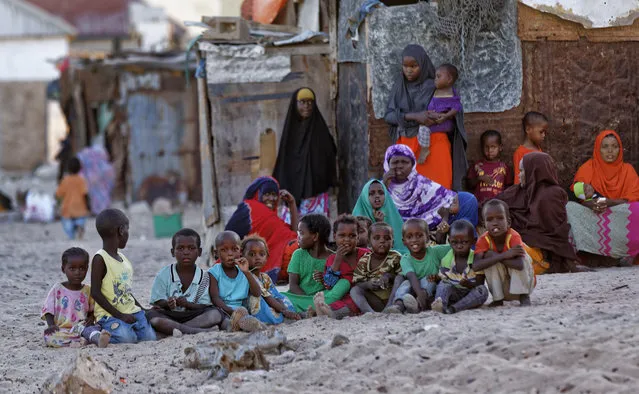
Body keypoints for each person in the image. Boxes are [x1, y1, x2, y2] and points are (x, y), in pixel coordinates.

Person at [385, 45, 468, 190]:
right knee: (408, 194)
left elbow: (454, 113)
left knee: (438, 192)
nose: (409, 70)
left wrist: (439, 118)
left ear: (422, 65)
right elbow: (389, 116)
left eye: (414, 66)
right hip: (407, 147)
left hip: (435, 145)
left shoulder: (435, 85)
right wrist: (415, 116)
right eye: (405, 66)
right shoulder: (399, 87)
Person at [498, 152, 579, 273]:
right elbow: (494, 203)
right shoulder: (519, 191)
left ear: (534, 171)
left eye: (522, 171)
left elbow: (553, 236)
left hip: (540, 253)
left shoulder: (551, 195)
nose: (518, 175)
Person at [566, 130, 639, 261]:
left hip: (620, 213)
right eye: (605, 147)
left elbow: (632, 198)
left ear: (620, 149)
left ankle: (625, 253)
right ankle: (591, 254)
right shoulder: (588, 167)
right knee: (570, 208)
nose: (610, 151)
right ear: (598, 149)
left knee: (637, 209)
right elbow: (577, 193)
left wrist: (606, 202)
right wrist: (591, 203)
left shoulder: (628, 170)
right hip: (595, 214)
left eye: (614, 147)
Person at [91, 209, 156, 344]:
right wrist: (120, 316)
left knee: (149, 338)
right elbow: (95, 293)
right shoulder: (100, 259)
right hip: (109, 316)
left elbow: (126, 292)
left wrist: (143, 309)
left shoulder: (123, 260)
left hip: (131, 312)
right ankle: (96, 334)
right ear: (121, 230)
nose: (128, 233)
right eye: (127, 229)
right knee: (127, 338)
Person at [147, 229, 226, 336]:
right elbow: (157, 302)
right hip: (170, 314)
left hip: (193, 315)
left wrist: (188, 304)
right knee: (151, 316)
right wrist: (168, 303)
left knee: (215, 314)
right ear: (172, 252)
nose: (186, 252)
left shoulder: (204, 277)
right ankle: (195, 331)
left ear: (199, 252)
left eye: (191, 248)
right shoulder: (163, 274)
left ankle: (176, 329)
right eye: (180, 248)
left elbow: (204, 306)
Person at [272, 87, 337, 217]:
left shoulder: (320, 130)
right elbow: (284, 163)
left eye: (310, 102)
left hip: (316, 196)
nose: (307, 106)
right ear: (295, 104)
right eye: (302, 102)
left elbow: (330, 156)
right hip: (292, 198)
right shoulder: (290, 133)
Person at [225, 176, 298, 282]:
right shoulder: (249, 208)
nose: (271, 199)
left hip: (280, 258)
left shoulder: (273, 217)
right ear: (257, 194)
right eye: (267, 194)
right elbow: (228, 235)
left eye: (274, 195)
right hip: (261, 261)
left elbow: (294, 233)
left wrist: (292, 203)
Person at [41, 247, 110, 348]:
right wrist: (51, 326)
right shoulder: (57, 289)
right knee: (49, 337)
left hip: (81, 327)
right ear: (63, 269)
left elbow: (92, 309)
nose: (77, 272)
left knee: (92, 329)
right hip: (62, 329)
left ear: (87, 269)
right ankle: (82, 341)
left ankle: (96, 339)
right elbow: (48, 310)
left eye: (82, 268)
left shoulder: (88, 290)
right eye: (72, 269)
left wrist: (91, 318)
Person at [473, 200, 535, 307]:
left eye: (500, 218)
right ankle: (498, 299)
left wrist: (495, 256)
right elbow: (476, 266)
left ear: (508, 222)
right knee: (488, 259)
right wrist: (503, 255)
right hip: (504, 289)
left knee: (523, 256)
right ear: (485, 225)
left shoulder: (513, 236)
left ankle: (524, 296)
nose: (495, 223)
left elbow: (520, 265)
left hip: (522, 286)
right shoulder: (483, 240)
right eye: (490, 219)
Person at [415, 63, 467, 189]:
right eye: (435, 77)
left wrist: (445, 116)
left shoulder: (452, 94)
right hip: (432, 123)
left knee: (441, 181)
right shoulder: (432, 92)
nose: (435, 79)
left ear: (449, 79)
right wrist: (431, 115)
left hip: (443, 128)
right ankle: (425, 148)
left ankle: (424, 148)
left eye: (438, 77)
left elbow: (456, 108)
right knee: (423, 129)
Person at [383, 144, 456, 229]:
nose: (400, 166)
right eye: (395, 162)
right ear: (387, 164)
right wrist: (384, 186)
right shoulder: (380, 186)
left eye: (404, 162)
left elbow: (451, 199)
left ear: (413, 165)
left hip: (423, 233)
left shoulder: (423, 184)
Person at [386, 219, 451, 314]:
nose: (414, 240)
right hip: (413, 289)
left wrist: (448, 230)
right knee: (405, 284)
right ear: (404, 241)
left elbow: (454, 244)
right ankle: (398, 306)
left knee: (429, 280)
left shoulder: (434, 251)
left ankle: (416, 305)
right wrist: (419, 293)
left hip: (429, 292)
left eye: (419, 235)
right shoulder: (406, 259)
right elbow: (411, 276)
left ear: (428, 238)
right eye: (409, 237)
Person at [313, 215, 368, 319]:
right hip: (342, 297)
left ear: (358, 237)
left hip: (362, 294)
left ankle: (327, 313)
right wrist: (337, 260)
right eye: (342, 236)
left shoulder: (366, 254)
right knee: (336, 304)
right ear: (334, 237)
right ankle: (320, 310)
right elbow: (328, 285)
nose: (347, 240)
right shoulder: (332, 259)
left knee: (349, 305)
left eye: (352, 236)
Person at [208, 231, 265, 332]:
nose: (230, 254)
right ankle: (236, 325)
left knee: (243, 313)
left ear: (240, 252)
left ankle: (246, 324)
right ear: (216, 253)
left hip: (242, 311)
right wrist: (230, 310)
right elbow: (215, 298)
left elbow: (257, 293)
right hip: (222, 310)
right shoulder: (214, 272)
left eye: (234, 249)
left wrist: (247, 273)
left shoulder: (244, 271)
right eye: (224, 250)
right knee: (223, 320)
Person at [430, 220, 489, 314]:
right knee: (444, 284)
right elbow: (443, 280)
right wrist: (435, 278)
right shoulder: (446, 260)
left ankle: (454, 308)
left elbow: (479, 284)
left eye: (464, 242)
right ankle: (441, 305)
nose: (459, 246)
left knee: (483, 290)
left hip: (471, 295)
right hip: (453, 293)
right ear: (449, 241)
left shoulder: (476, 259)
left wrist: (468, 285)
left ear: (473, 241)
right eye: (454, 242)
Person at [242, 235, 301, 324]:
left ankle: (283, 314)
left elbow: (275, 295)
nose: (257, 257)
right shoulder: (248, 276)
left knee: (283, 298)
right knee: (259, 301)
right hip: (254, 307)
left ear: (266, 257)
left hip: (270, 302)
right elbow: (267, 298)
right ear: (243, 256)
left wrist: (282, 305)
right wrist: (284, 310)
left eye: (261, 254)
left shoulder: (265, 277)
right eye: (252, 254)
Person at [282, 214, 333, 313]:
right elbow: (293, 286)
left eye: (301, 233)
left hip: (322, 298)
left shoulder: (333, 258)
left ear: (315, 236)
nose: (298, 237)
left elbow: (333, 286)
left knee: (332, 297)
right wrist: (308, 300)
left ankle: (314, 309)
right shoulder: (298, 254)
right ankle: (311, 309)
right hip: (299, 297)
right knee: (282, 297)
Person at [350, 222, 404, 313]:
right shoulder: (364, 260)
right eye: (376, 238)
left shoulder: (396, 257)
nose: (382, 241)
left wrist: (390, 277)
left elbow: (404, 278)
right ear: (369, 242)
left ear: (393, 243)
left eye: (387, 238)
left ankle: (390, 308)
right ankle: (370, 312)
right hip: (374, 301)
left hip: (393, 297)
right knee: (354, 290)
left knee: (400, 278)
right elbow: (357, 283)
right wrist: (368, 284)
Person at [352, 179, 407, 254]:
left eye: (381, 193)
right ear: (365, 196)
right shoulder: (357, 218)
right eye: (371, 193)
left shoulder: (392, 213)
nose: (377, 196)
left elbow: (402, 247)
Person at [466, 130, 513, 205]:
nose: (489, 150)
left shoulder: (505, 167)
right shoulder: (477, 166)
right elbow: (469, 185)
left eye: (493, 147)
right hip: (479, 204)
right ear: (482, 147)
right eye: (486, 147)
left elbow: (509, 188)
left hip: (498, 205)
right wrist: (479, 178)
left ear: (500, 147)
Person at [55, 157, 90, 240]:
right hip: (80, 208)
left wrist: (57, 204)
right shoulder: (81, 180)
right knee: (81, 220)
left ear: (68, 169)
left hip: (68, 209)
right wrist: (88, 205)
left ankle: (71, 233)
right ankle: (79, 226)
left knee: (67, 224)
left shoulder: (65, 180)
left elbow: (58, 194)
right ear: (80, 168)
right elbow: (85, 194)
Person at [513, 112, 547, 185]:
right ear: (528, 129)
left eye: (545, 132)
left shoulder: (538, 149)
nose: (544, 135)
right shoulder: (520, 153)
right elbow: (518, 180)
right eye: (541, 132)